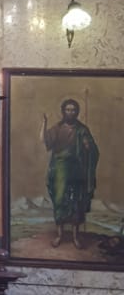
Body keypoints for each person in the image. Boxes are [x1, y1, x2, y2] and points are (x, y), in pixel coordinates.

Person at [40, 98, 99, 249]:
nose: (70, 113)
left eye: (73, 110)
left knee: (76, 202)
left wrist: (88, 146)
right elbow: (45, 141)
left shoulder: (82, 129)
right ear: (63, 111)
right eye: (68, 110)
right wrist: (44, 122)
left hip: (77, 169)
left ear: (77, 112)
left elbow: (93, 149)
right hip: (59, 168)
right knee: (59, 200)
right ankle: (60, 235)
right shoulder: (58, 128)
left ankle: (75, 236)